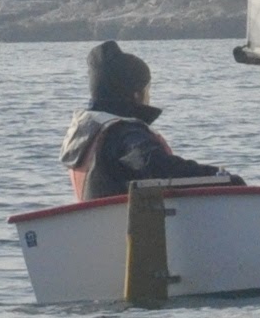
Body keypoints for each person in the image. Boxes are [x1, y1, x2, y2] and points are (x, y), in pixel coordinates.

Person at [60, 40, 238, 200]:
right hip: (126, 224)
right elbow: (155, 165)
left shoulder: (87, 129)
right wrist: (221, 178)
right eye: (147, 89)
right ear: (136, 94)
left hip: (97, 221)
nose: (149, 96)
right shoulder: (125, 132)